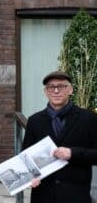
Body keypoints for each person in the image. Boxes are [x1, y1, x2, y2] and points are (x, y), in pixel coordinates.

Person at [22, 71, 97, 203]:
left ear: (70, 90)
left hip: (76, 196)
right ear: (46, 92)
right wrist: (30, 176)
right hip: (43, 195)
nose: (56, 91)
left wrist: (73, 153)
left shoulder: (88, 119)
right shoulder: (34, 121)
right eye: (51, 87)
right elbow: (25, 156)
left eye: (61, 86)